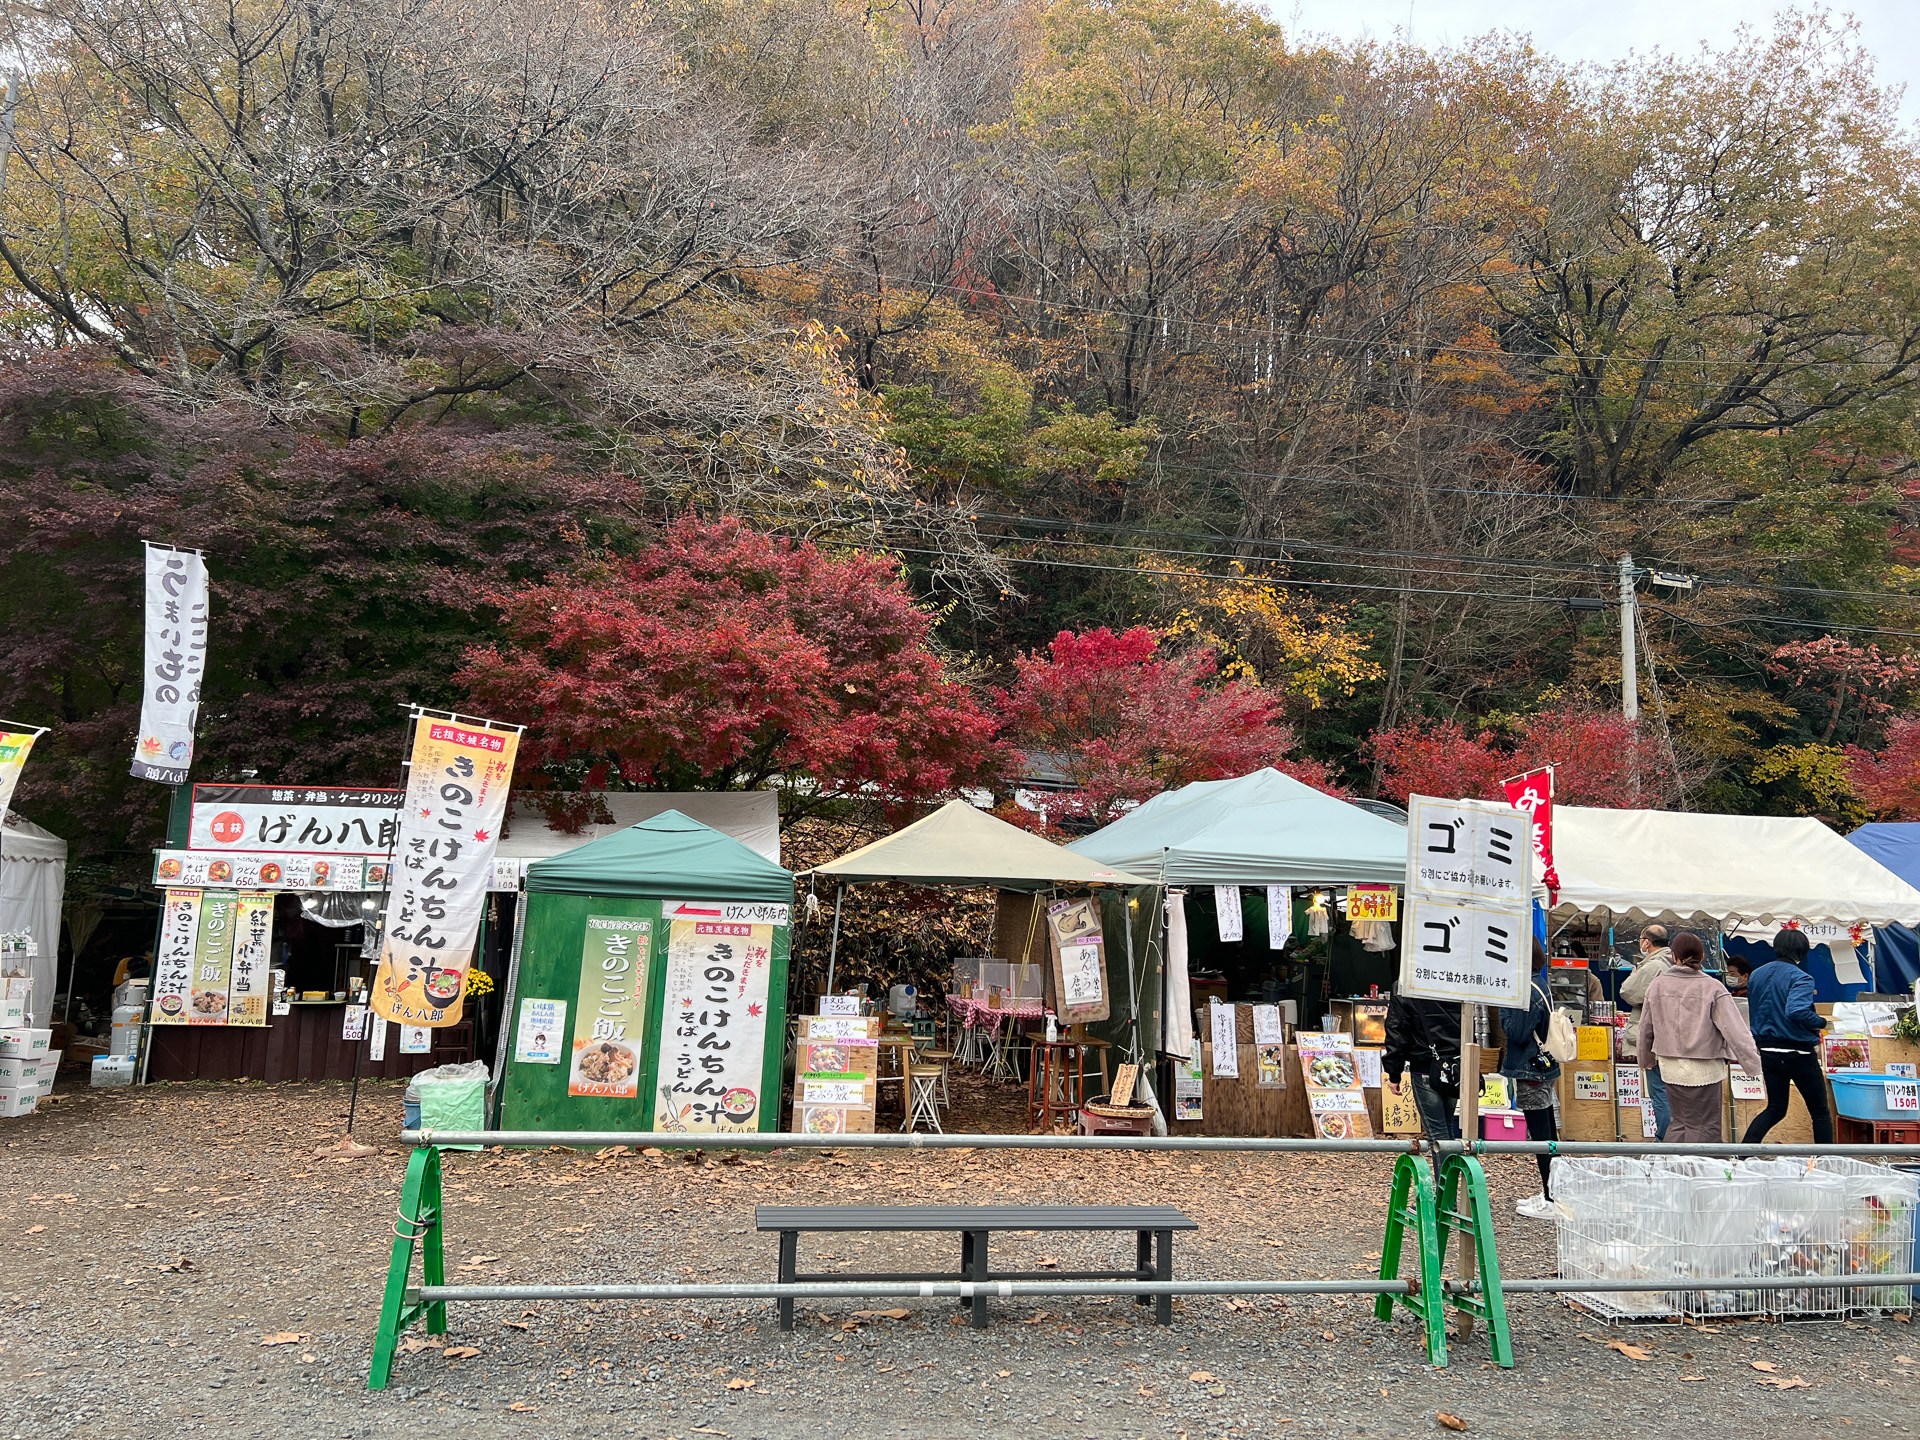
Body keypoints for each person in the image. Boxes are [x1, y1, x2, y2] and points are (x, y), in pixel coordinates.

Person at [1637, 933, 1762, 1144]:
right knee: (1706, 1126)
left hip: (1670, 1067)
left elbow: (1645, 1029)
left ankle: (1672, 1168)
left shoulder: (1657, 985)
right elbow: (1736, 1031)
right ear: (1702, 956)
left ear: (1673, 956)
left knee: (1679, 1122)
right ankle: (1705, 1171)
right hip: (1706, 1068)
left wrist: (1645, 1059)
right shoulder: (1713, 987)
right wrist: (1753, 1065)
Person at [1741, 928, 1835, 1145]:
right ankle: (1825, 1164)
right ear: (1802, 952)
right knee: (1820, 1112)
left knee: (1775, 1108)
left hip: (1768, 1051)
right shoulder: (1801, 977)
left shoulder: (1757, 974)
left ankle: (1741, 1155)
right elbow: (1797, 1011)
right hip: (1798, 1052)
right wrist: (1820, 1022)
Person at [1500, 940, 1561, 1219]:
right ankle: (1554, 1191)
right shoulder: (1541, 983)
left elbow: (1518, 1032)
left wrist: (1502, 1009)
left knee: (1541, 1136)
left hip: (1530, 1068)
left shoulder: (1525, 989)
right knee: (1548, 1131)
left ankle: (1552, 1199)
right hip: (1543, 1065)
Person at [1383, 983, 1463, 1179]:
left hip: (1425, 1066)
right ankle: (1450, 1196)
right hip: (1455, 1066)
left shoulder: (1407, 982)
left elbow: (1397, 1030)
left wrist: (1394, 1073)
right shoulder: (1456, 977)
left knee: (1438, 1134)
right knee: (1447, 1131)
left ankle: (1445, 1202)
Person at [1619, 924, 1675, 1139]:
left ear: (1646, 942)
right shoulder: (1673, 961)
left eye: (1641, 939)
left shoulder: (1653, 966)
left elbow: (1628, 992)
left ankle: (1665, 1139)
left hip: (1655, 1036)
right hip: (1673, 1034)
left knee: (1659, 1091)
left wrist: (1634, 975)